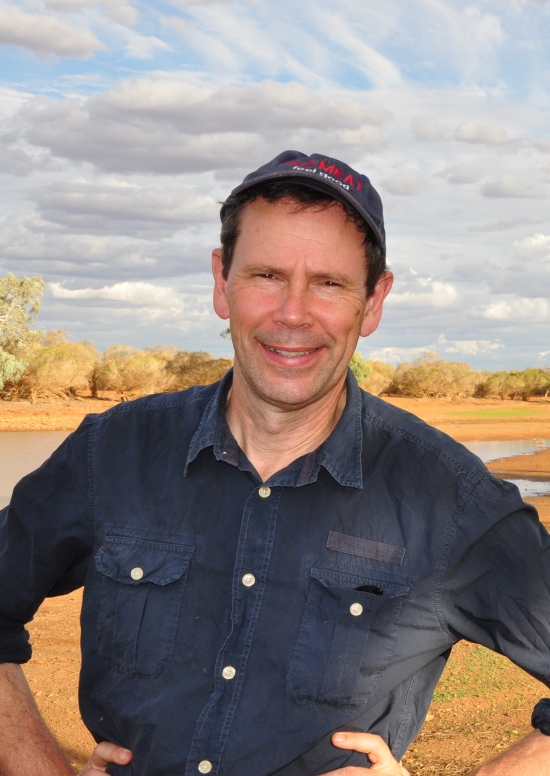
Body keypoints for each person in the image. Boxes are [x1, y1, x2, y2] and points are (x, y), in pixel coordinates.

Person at [0, 150, 548, 776]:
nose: (293, 313)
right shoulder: (112, 454)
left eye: (330, 283)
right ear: (220, 281)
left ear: (372, 303)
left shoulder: (447, 499)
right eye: (265, 275)